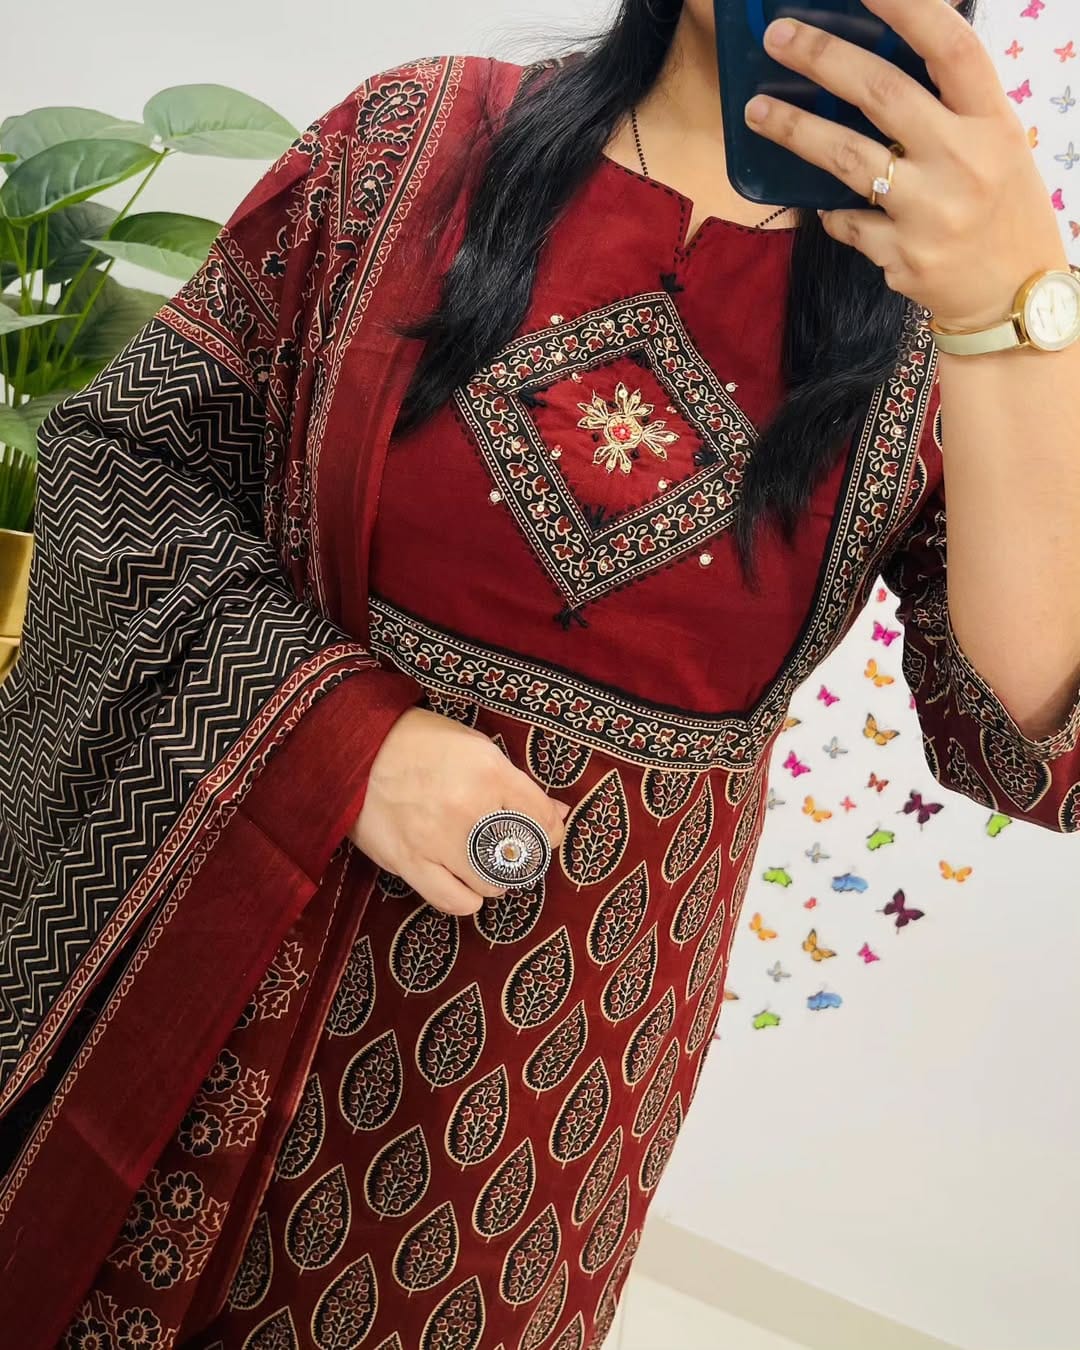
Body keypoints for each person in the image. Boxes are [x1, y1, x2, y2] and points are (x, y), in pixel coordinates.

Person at [1, 1, 1077, 1347]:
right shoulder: (412, 141)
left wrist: (1014, 319)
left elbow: (1033, 734)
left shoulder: (951, 326)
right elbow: (127, 465)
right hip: (181, 961)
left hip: (522, 1121)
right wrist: (343, 741)